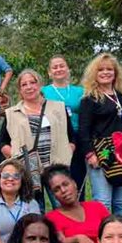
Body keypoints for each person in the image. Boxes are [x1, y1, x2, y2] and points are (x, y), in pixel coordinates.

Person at [1, 70, 76, 202]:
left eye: (33, 82)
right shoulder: (12, 113)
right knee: (35, 208)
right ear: (20, 89)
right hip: (28, 169)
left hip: (56, 166)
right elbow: (2, 142)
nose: (29, 87)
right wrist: (15, 155)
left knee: (62, 204)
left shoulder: (58, 107)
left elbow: (71, 135)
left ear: (40, 85)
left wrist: (68, 151)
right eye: (24, 84)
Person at [78, 53, 122, 216]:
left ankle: (121, 238)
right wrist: (91, 154)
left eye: (109, 69)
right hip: (103, 153)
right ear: (94, 74)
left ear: (116, 72)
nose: (105, 72)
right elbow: (83, 130)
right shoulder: (89, 99)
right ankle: (104, 238)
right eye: (101, 70)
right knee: (103, 201)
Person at [43, 164, 110, 243]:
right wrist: (78, 238)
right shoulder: (52, 217)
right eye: (57, 189)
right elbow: (59, 242)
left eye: (66, 184)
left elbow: (114, 230)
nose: (63, 191)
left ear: (74, 184)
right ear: (54, 196)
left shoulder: (97, 207)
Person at [41, 55, 86, 192]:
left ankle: (79, 204)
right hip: (55, 138)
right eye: (55, 67)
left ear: (68, 69)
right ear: (49, 72)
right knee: (58, 176)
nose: (59, 69)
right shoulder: (43, 92)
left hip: (78, 137)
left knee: (77, 176)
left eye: (62, 66)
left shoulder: (80, 91)